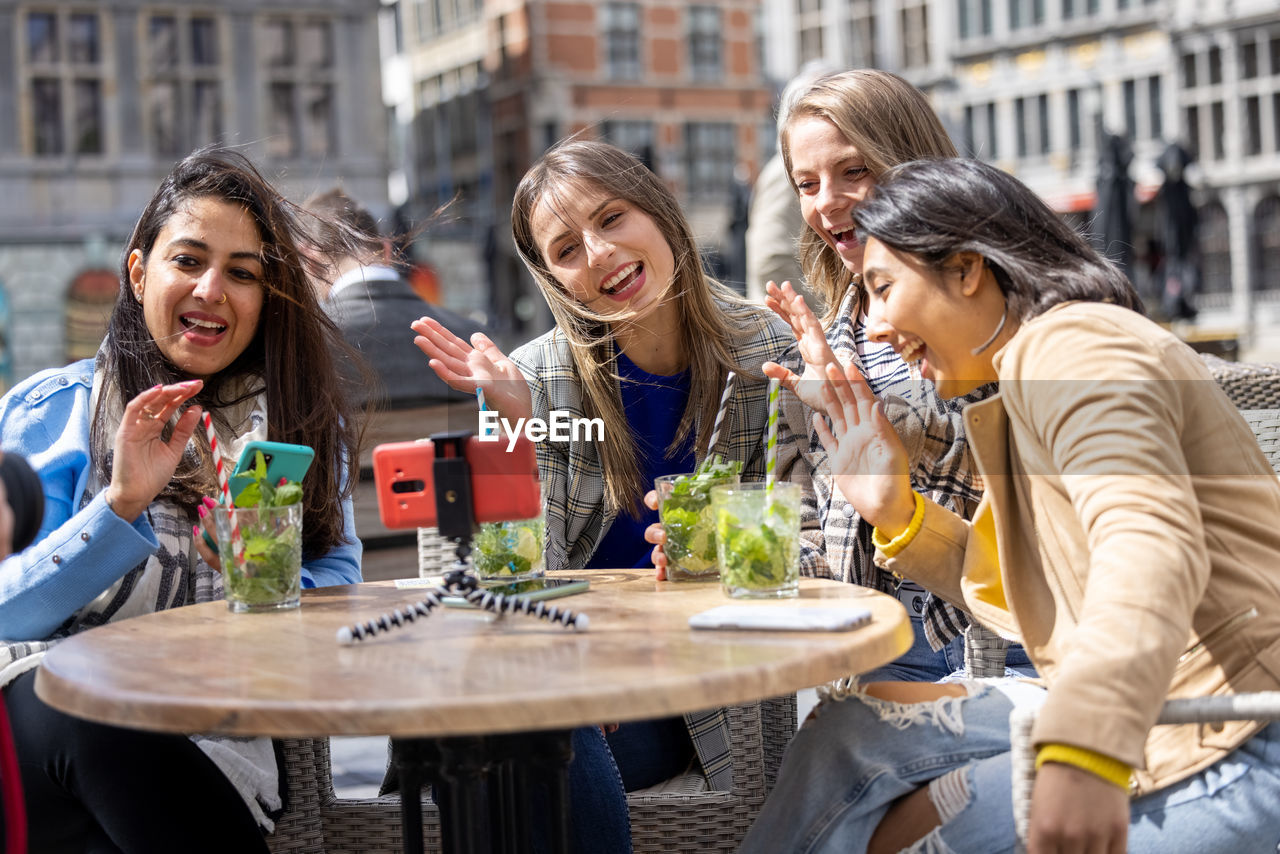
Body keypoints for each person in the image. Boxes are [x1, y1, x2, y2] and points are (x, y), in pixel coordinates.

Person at [740, 157, 1280, 854]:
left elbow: (1147, 543)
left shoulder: (1074, 346)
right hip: (1154, 706)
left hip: (1237, 729)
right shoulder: (1021, 376)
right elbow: (1024, 590)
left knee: (925, 839)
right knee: (846, 733)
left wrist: (1085, 744)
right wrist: (897, 514)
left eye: (881, 288)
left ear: (967, 270)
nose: (872, 326)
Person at [412, 139, 791, 846]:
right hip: (570, 689)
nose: (599, 253)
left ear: (661, 212)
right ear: (554, 280)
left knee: (520, 748)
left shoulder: (766, 350)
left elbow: (809, 546)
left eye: (612, 218)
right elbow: (489, 584)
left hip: (705, 693)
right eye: (566, 249)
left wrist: (721, 565)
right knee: (529, 721)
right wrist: (513, 435)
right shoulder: (537, 379)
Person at [0, 147, 363, 853]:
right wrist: (120, 506)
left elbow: (339, 605)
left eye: (242, 273)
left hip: (206, 758)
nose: (211, 290)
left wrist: (256, 571)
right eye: (188, 261)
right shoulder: (55, 411)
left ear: (266, 298)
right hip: (35, 743)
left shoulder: (296, 433)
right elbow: (5, 607)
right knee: (75, 697)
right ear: (139, 274)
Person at [751, 68, 1030, 681]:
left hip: (1007, 636)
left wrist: (890, 434)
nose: (826, 201)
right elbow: (802, 518)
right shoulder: (827, 344)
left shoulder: (1002, 311)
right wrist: (746, 552)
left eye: (854, 171)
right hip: (879, 642)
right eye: (807, 183)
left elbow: (1023, 486)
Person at [303, 187, 488, 408]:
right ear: (386, 250)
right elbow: (495, 434)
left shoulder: (305, 343)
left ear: (311, 262)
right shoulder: (472, 338)